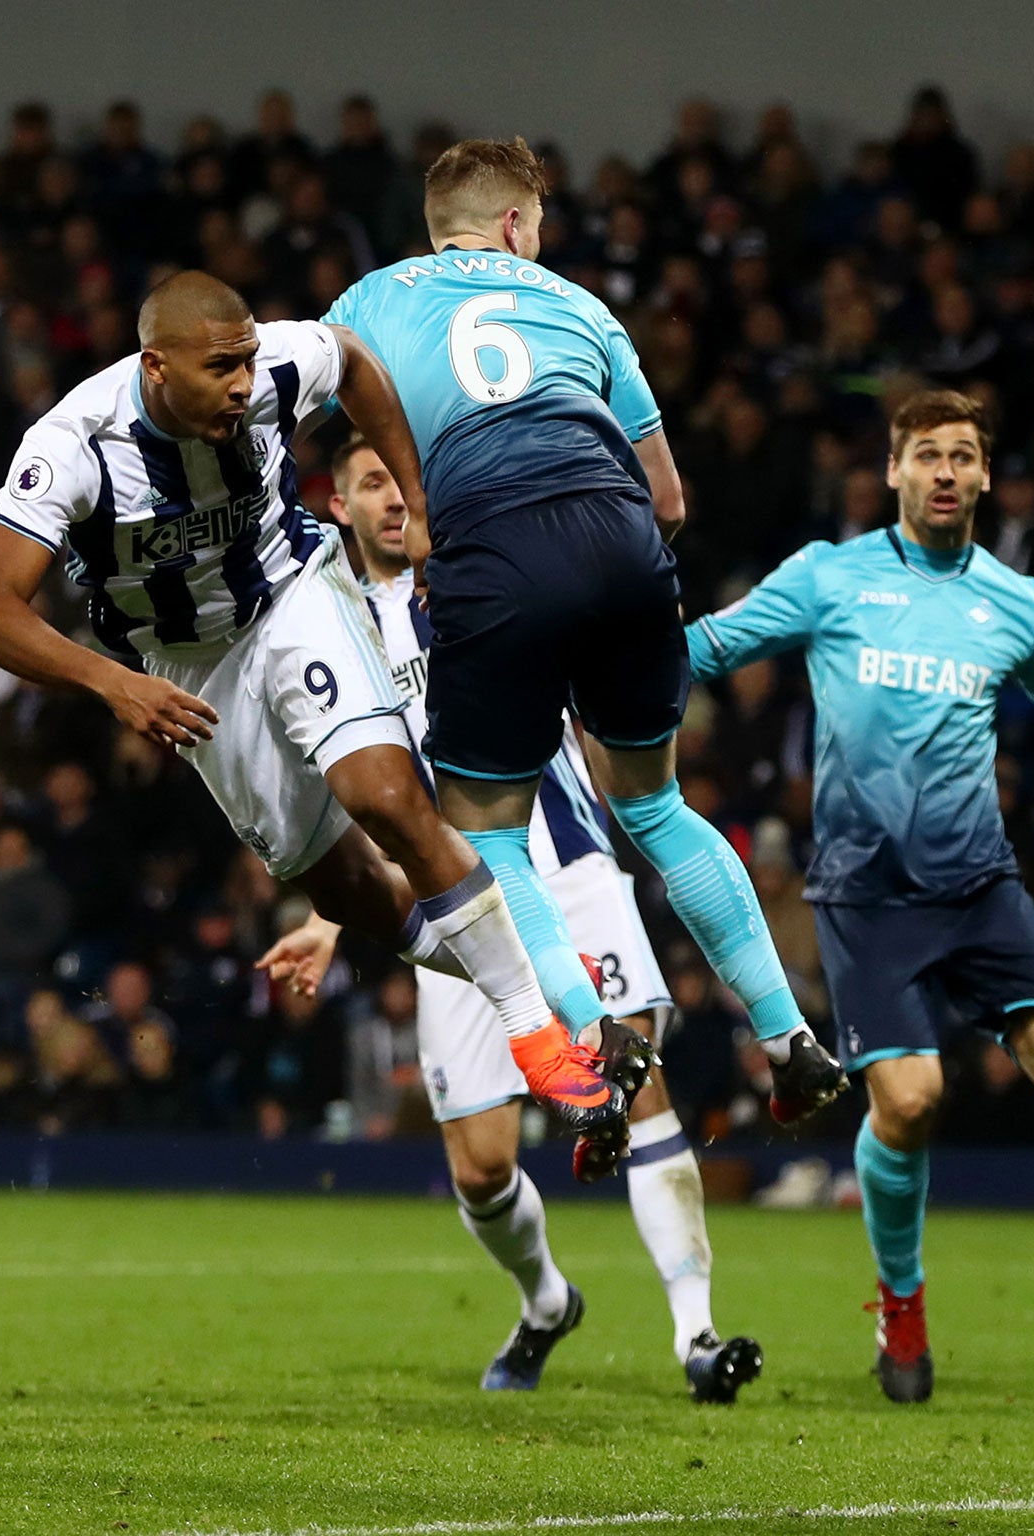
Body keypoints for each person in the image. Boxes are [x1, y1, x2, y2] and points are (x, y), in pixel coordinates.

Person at [0, 271, 636, 1142]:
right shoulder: (76, 446)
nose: (243, 383)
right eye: (219, 369)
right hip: (185, 668)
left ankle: (539, 1037)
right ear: (155, 367)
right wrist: (112, 682)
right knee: (349, 890)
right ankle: (530, 978)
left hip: (291, 594)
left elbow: (350, 357)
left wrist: (418, 497)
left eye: (246, 360)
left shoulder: (277, 363)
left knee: (386, 799)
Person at [685, 389, 1034, 1416]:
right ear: (890, 472)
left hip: (981, 891)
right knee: (914, 1101)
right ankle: (901, 1305)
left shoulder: (1018, 604)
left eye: (960, 455)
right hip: (867, 898)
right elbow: (706, 650)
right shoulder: (828, 578)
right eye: (923, 453)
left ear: (982, 477)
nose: (942, 471)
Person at [319, 137, 843, 1124]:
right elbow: (669, 500)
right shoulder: (580, 306)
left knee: (488, 835)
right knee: (653, 806)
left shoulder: (370, 302)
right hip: (621, 542)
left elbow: (305, 395)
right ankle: (789, 1038)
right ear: (517, 224)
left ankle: (593, 1032)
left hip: (496, 556)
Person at [261, 436, 762, 1400]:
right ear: (342, 507)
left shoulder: (490, 574)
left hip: (567, 871)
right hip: (451, 904)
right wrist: (330, 920)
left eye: (403, 482)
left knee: (635, 1081)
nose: (396, 501)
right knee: (483, 1169)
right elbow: (355, 797)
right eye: (374, 486)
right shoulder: (334, 633)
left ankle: (696, 1337)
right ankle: (545, 1301)